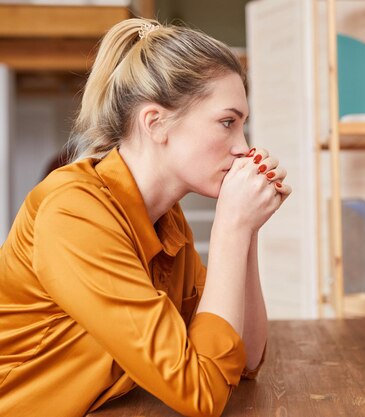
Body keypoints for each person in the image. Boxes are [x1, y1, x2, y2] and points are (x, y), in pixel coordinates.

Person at [0, 18, 291, 417]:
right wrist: (232, 226)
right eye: (227, 122)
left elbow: (244, 361)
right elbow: (201, 394)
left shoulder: (166, 220)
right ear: (156, 123)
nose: (243, 147)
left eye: (243, 125)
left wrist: (248, 227)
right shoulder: (73, 214)